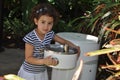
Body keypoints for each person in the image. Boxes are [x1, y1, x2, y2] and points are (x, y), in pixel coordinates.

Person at [18, 3, 80, 80]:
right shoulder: (31, 38)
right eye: (43, 22)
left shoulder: (50, 34)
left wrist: (74, 47)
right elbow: (28, 58)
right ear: (36, 21)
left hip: (42, 72)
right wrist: (44, 61)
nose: (46, 26)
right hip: (29, 73)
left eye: (49, 23)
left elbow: (63, 41)